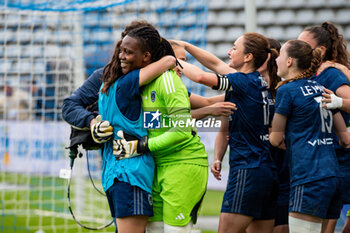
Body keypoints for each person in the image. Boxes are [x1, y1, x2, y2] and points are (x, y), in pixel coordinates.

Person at [176, 33, 279, 233]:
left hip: (247, 170)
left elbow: (200, 77)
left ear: (248, 57)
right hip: (267, 171)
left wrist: (171, 60)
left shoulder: (242, 81)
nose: (229, 52)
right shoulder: (261, 82)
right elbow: (214, 64)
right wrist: (187, 46)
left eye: (234, 48)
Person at [113, 27, 208, 233]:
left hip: (182, 164)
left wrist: (142, 145)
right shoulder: (142, 84)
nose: (122, 57)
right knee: (154, 229)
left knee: (175, 230)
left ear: (146, 56)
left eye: (128, 52)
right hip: (156, 165)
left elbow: (182, 130)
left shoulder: (167, 80)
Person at [270, 39, 350, 233]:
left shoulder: (287, 90)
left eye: (280, 56)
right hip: (332, 176)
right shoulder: (323, 90)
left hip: (308, 177)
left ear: (289, 61)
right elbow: (345, 140)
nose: (276, 60)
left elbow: (275, 139)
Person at [297, 21, 350, 233]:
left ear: (320, 50)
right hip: (319, 160)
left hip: (337, 160)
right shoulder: (309, 74)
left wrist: (337, 102)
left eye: (303, 44)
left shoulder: (332, 74)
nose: (297, 47)